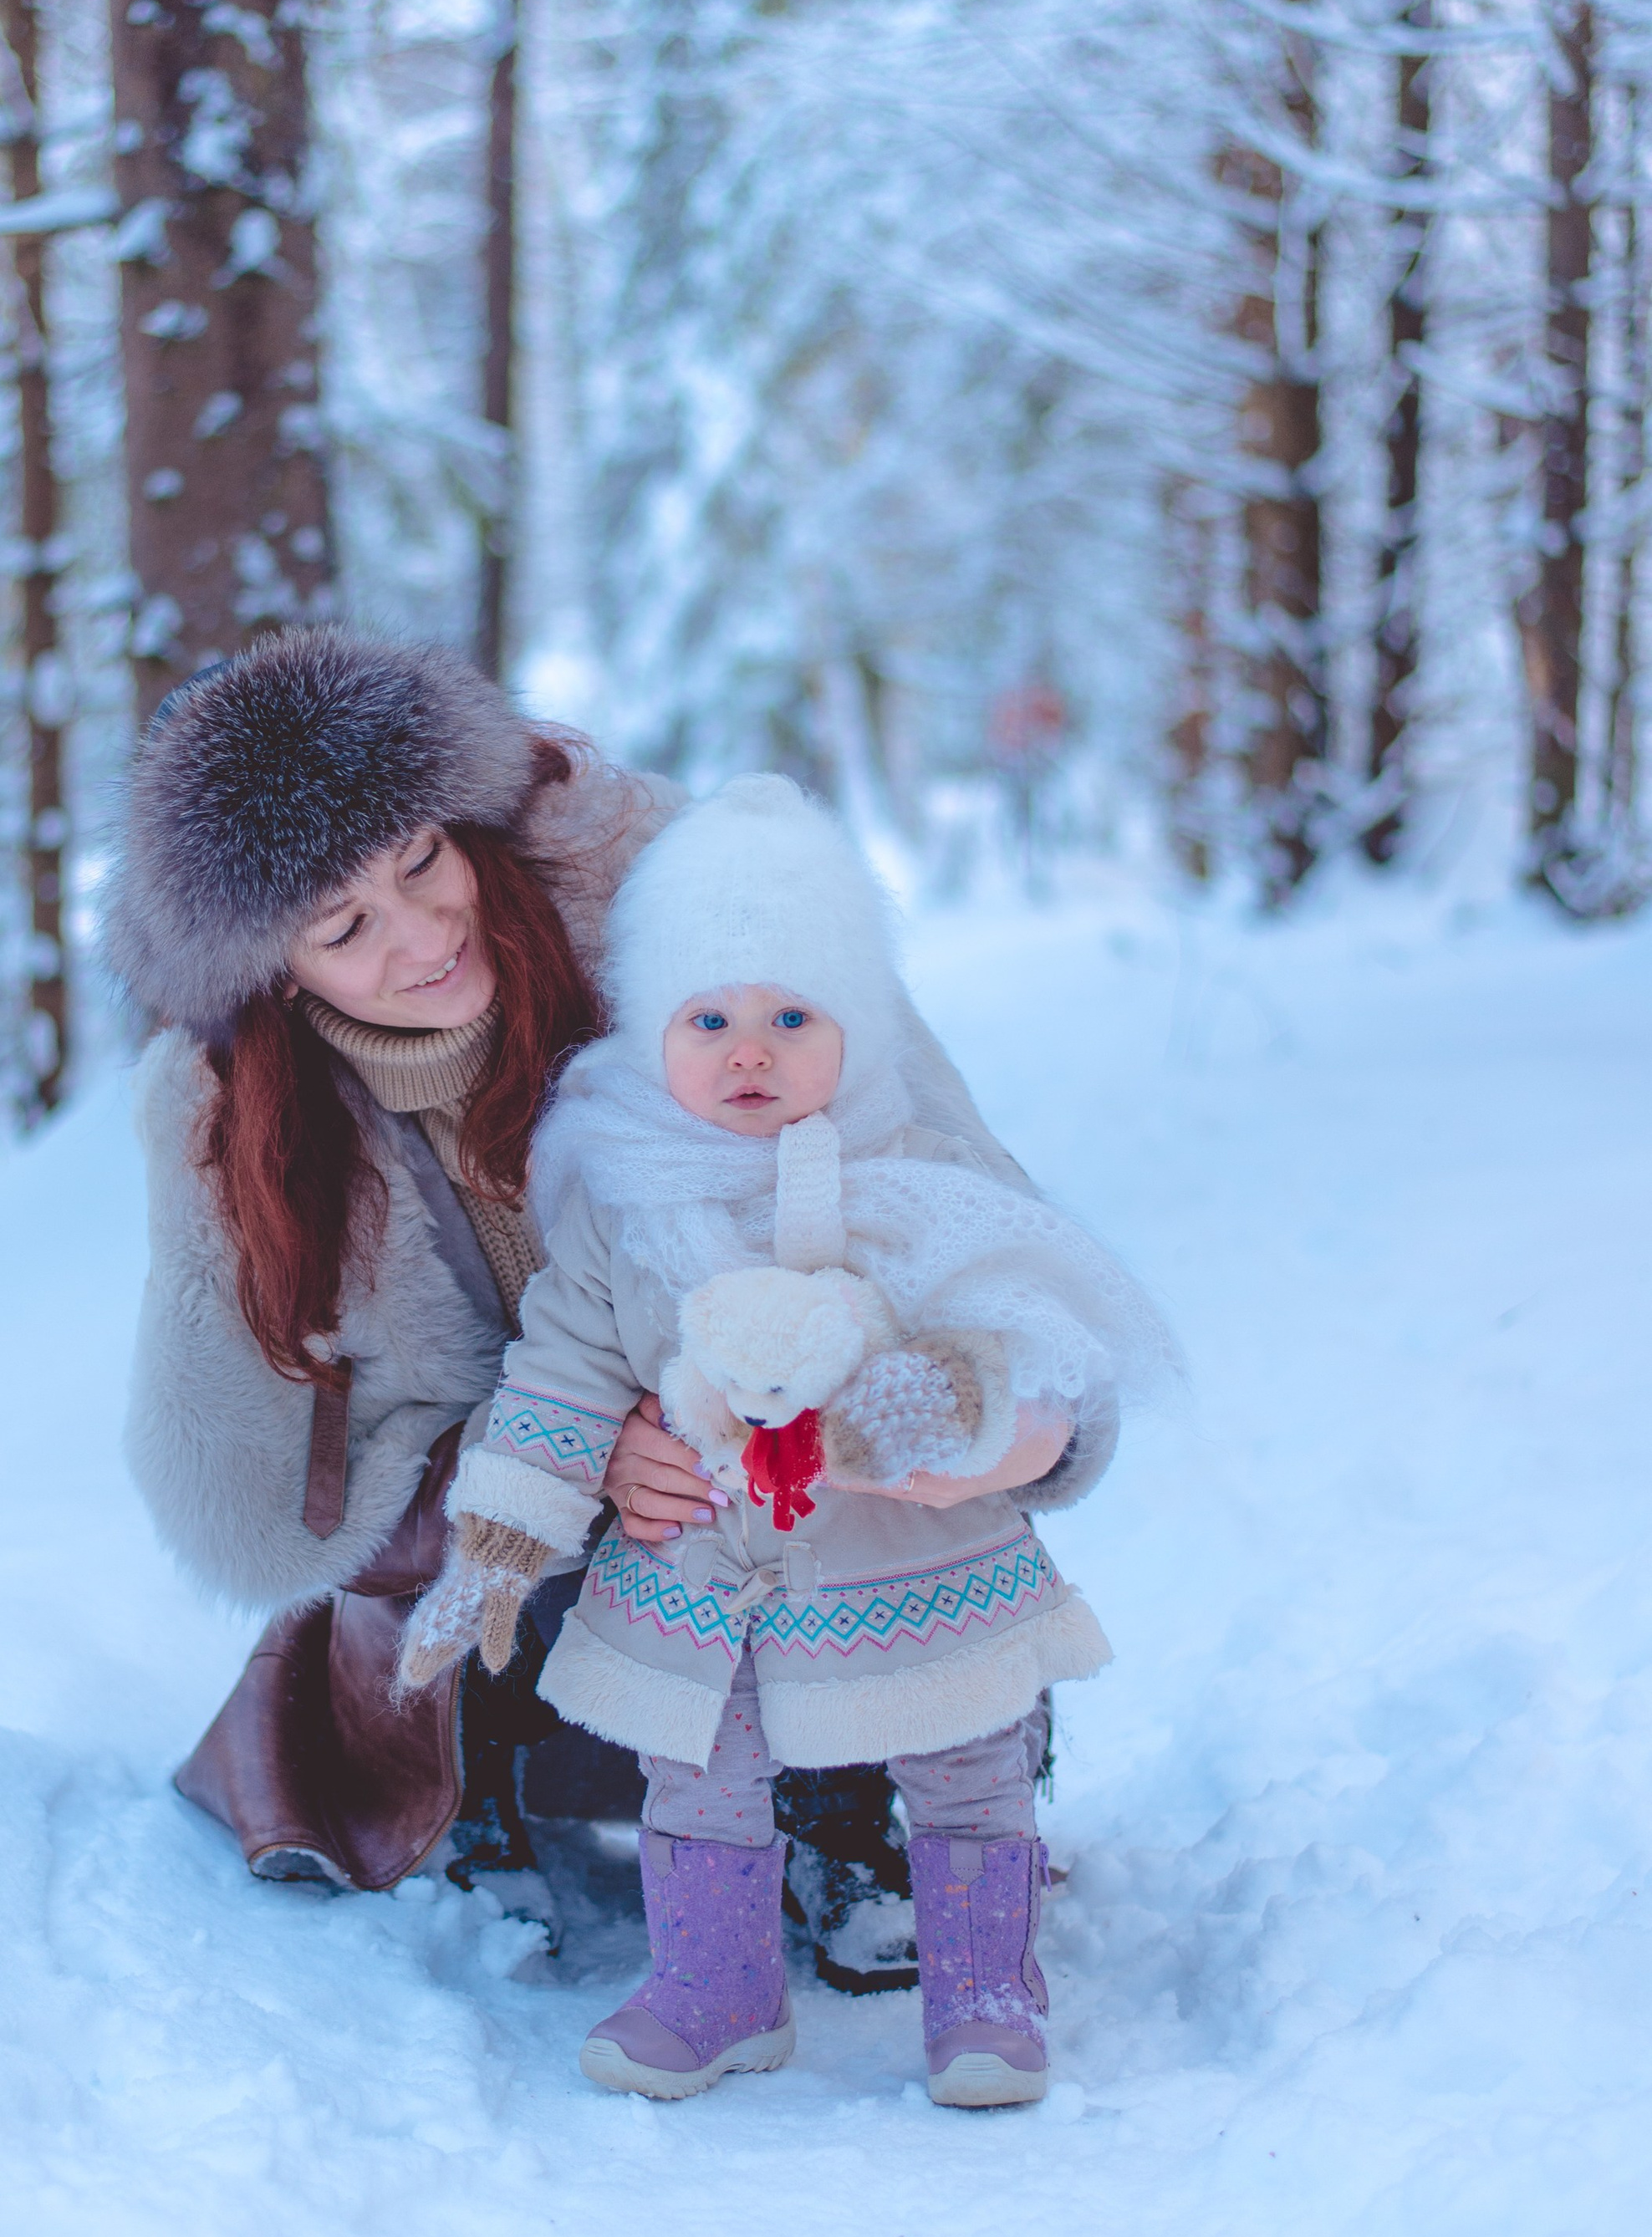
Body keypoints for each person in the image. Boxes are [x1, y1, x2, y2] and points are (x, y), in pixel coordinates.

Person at [109, 633, 1073, 1970]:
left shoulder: (678, 908)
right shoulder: (235, 1118)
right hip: (536, 1545)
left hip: (790, 1460)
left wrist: (970, 1406)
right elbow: (250, 1488)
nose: (426, 937)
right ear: (276, 970)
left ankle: (862, 1809)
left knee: (827, 1493)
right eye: (346, 928)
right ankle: (546, 1802)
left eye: (424, 865)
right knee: (532, 1568)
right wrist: (562, 1453)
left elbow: (970, 1209)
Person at [402, 773, 1166, 2103]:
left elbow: (1028, 1322)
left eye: (790, 1017)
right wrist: (503, 1528)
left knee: (968, 1763)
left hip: (910, 1557)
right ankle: (718, 1991)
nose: (748, 1053)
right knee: (695, 1781)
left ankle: (986, 1992)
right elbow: (565, 1367)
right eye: (709, 1019)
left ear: (855, 1030)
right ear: (655, 1029)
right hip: (705, 1571)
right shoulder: (615, 1193)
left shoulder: (919, 1174)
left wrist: (957, 1391)